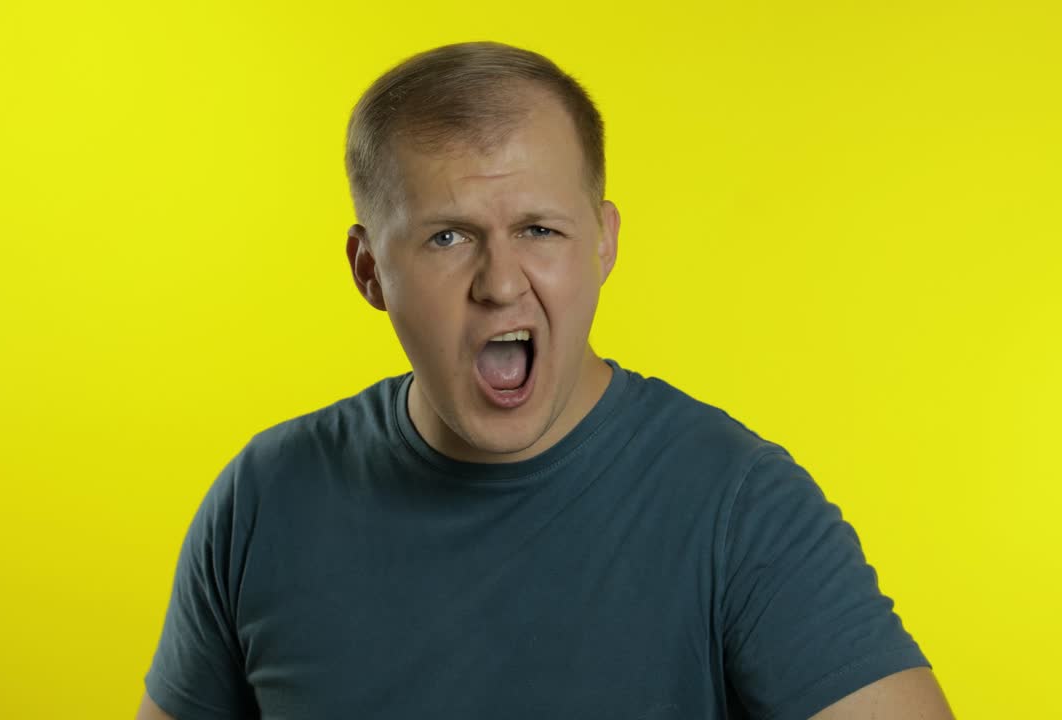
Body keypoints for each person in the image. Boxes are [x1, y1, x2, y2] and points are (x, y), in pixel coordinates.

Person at [136, 41, 955, 720]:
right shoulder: (263, 501)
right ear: (368, 270)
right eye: (449, 237)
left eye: (539, 229)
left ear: (602, 244)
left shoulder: (737, 507)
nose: (500, 282)